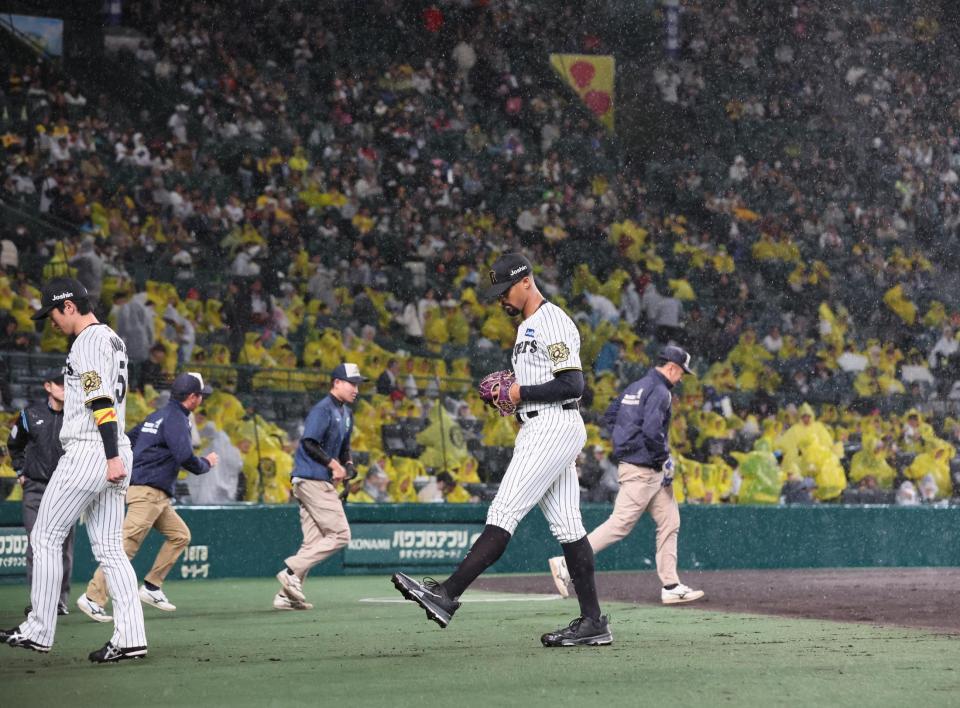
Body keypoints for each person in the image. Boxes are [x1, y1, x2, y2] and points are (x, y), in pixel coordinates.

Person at [392, 253, 611, 648]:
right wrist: (516, 398)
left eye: (505, 289)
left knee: (504, 511)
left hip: (552, 423)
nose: (501, 299)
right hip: (542, 423)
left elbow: (574, 384)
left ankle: (447, 594)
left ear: (526, 280)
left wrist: (518, 392)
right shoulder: (527, 327)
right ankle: (594, 622)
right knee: (569, 527)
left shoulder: (552, 320)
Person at [1, 277, 147, 663]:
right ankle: (131, 637)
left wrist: (110, 453)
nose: (50, 321)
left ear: (68, 306)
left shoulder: (86, 341)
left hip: (91, 448)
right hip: (112, 450)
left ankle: (39, 629)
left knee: (46, 536)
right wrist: (115, 454)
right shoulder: (114, 339)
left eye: (52, 312)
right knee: (111, 549)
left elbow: (100, 397)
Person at [548, 345, 705, 605]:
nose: (681, 378)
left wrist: (626, 441)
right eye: (681, 373)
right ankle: (567, 563)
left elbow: (610, 416)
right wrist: (662, 458)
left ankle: (671, 584)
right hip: (643, 469)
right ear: (672, 368)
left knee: (670, 521)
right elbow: (653, 431)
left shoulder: (636, 386)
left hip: (643, 467)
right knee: (619, 525)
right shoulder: (661, 391)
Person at [79, 372, 218, 621]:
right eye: (200, 395)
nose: (202, 399)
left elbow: (128, 440)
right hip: (148, 491)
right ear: (192, 397)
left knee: (180, 536)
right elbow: (185, 456)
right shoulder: (176, 418)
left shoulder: (158, 415)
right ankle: (93, 597)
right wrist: (206, 463)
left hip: (152, 492)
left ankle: (152, 587)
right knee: (125, 547)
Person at [273, 363, 365, 611]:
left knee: (313, 542)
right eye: (351, 383)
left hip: (315, 480)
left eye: (357, 384)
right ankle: (290, 571)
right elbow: (309, 443)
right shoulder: (323, 409)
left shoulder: (346, 413)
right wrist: (333, 464)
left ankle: (285, 596)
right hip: (311, 478)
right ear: (336, 382)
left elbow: (344, 448)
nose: (356, 389)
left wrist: (347, 465)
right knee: (341, 535)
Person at [8, 368, 72, 617]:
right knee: (36, 544)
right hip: (36, 488)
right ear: (48, 386)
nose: (65, 388)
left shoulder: (78, 416)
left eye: (69, 384)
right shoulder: (29, 414)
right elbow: (15, 445)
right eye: (61, 384)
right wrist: (20, 471)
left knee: (63, 547)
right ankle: (39, 600)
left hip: (66, 491)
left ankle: (59, 600)